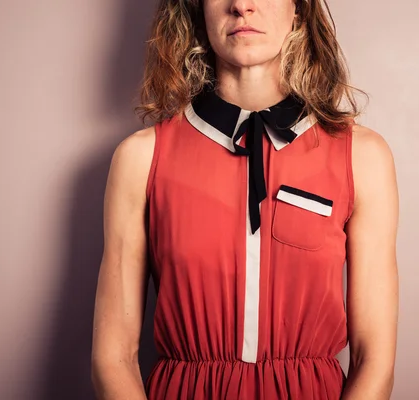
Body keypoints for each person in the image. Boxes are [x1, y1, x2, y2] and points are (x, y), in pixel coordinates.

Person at [91, 0, 399, 398]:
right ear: (198, 9)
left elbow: (375, 360)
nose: (242, 6)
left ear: (299, 10)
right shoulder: (141, 158)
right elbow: (112, 358)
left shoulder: (362, 155)